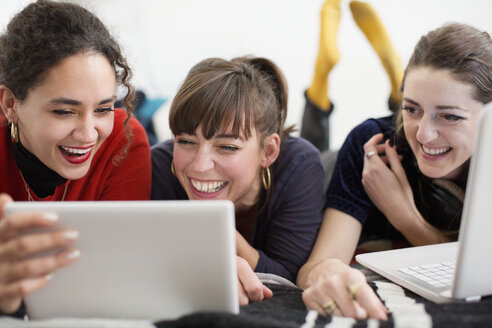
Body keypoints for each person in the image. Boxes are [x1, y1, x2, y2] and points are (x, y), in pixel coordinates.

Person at [297, 0, 492, 320]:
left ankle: (396, 82)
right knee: (310, 152)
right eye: (411, 107)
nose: (425, 134)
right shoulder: (369, 143)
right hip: (327, 170)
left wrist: (403, 215)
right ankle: (328, 80)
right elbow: (315, 267)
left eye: (450, 117)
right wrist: (327, 270)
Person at [0, 0, 151, 316]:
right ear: (10, 104)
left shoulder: (125, 140)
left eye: (103, 109)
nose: (88, 134)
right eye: (64, 111)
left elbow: (114, 272)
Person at [151, 56, 325, 304]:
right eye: (186, 141)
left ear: (269, 151)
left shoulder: (300, 164)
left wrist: (217, 231)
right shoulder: (159, 164)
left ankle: (319, 92)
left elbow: (290, 278)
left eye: (227, 147)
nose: (200, 165)